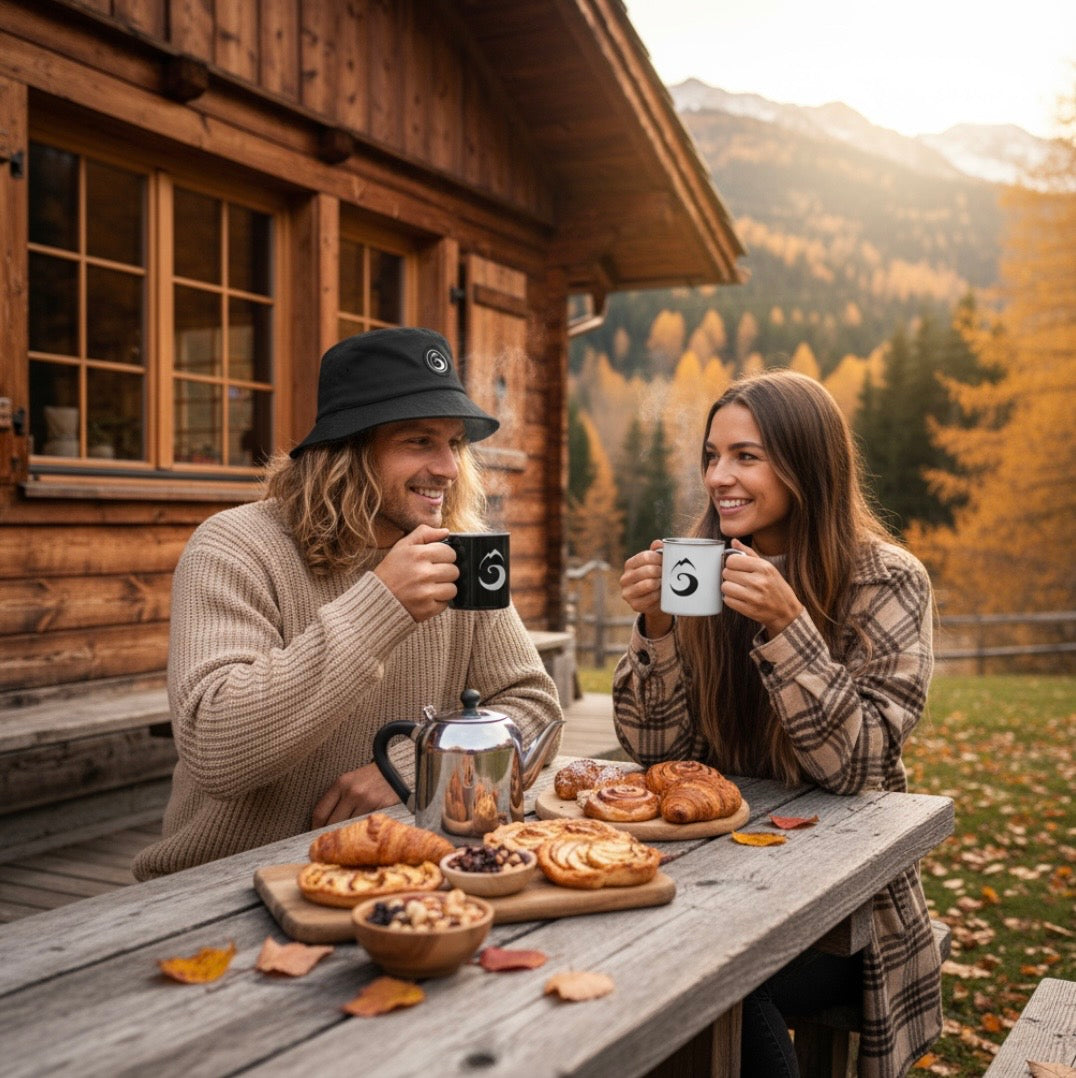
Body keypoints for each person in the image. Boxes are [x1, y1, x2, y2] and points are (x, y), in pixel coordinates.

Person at [134, 327, 562, 879]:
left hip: (399, 870)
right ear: (349, 449)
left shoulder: (459, 552)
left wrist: (411, 766)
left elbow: (536, 710)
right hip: (224, 882)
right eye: (418, 441)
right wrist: (381, 603)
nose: (449, 468)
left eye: (453, 443)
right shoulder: (236, 546)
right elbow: (218, 748)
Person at [613, 369, 941, 1078]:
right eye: (711, 455)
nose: (718, 477)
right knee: (643, 957)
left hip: (844, 914)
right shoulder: (702, 569)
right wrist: (656, 628)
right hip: (717, 883)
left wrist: (788, 623)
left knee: (720, 979)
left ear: (806, 462)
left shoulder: (887, 580)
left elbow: (857, 766)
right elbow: (656, 755)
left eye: (745, 456)